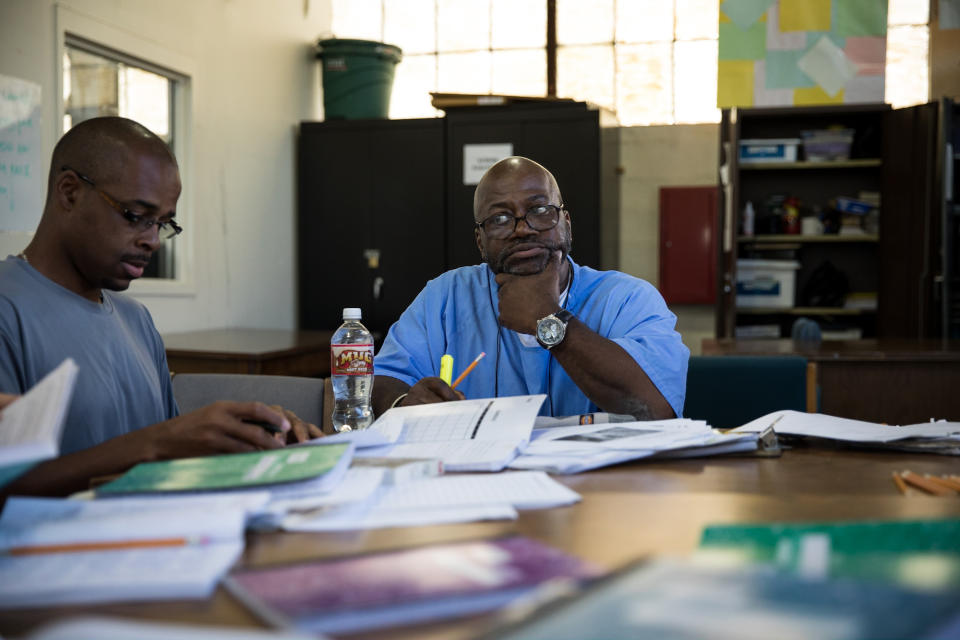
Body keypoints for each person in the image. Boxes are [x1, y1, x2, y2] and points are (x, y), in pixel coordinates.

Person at [0, 117, 321, 497]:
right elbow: (10, 485)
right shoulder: (10, 308)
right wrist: (158, 443)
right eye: (136, 216)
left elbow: (169, 460)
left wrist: (250, 436)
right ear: (69, 192)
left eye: (164, 223)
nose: (153, 240)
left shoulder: (136, 320)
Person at [372, 156, 688, 420]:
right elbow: (383, 379)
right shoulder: (445, 298)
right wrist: (404, 404)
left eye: (539, 211)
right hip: (481, 483)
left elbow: (658, 407)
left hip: (599, 486)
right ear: (480, 241)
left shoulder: (627, 299)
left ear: (566, 222)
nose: (523, 229)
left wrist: (548, 317)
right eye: (500, 218)